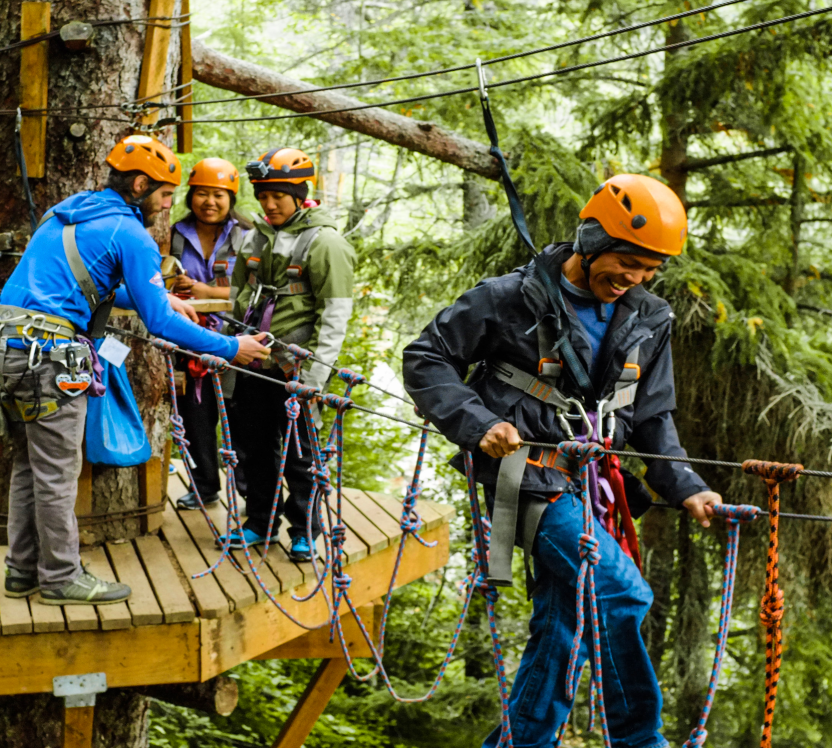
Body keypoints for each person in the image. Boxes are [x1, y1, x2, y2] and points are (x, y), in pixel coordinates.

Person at [402, 174, 723, 748]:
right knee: (621, 592)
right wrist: (479, 425)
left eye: (648, 269)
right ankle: (640, 741)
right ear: (592, 238)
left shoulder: (649, 317)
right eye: (626, 261)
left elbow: (652, 418)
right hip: (522, 475)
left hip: (591, 483)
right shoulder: (510, 297)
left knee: (565, 622)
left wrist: (686, 486)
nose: (633, 279)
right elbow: (428, 358)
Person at [0, 135, 270, 606]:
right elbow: (159, 323)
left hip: (6, 347)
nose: (167, 203)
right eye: (164, 193)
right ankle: (59, 577)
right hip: (49, 357)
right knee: (57, 472)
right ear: (140, 184)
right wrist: (229, 346)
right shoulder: (130, 233)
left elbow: (82, 283)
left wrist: (162, 296)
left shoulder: (66, 213)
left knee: (29, 466)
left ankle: (23, 570)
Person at [221, 147, 356, 562]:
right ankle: (259, 521)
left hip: (295, 369)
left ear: (300, 193)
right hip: (252, 363)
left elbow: (335, 315)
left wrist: (315, 381)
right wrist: (229, 354)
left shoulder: (326, 242)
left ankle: (304, 529)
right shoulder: (253, 236)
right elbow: (237, 298)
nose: (269, 203)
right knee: (255, 449)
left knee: (301, 454)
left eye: (277, 195)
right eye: (262, 196)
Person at [165, 157, 253, 511]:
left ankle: (249, 489)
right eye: (202, 194)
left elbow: (255, 290)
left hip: (238, 339)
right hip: (187, 339)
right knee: (195, 416)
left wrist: (204, 291)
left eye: (218, 194)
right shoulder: (174, 234)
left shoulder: (248, 236)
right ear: (191, 196)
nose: (209, 202)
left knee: (241, 416)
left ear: (231, 197)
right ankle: (204, 486)